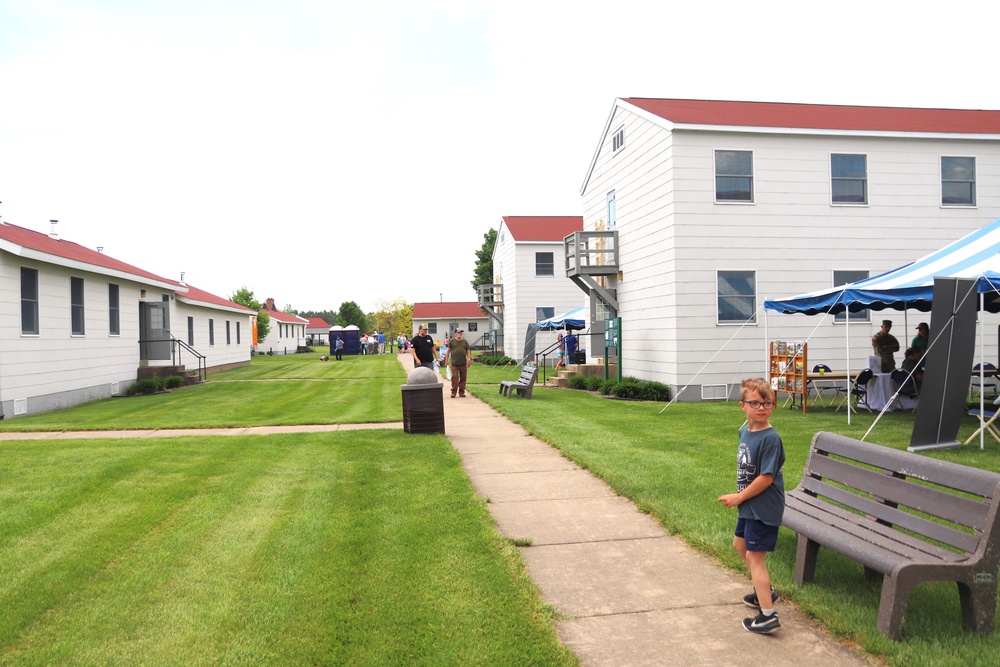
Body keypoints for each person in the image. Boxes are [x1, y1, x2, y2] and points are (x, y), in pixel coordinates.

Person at [717, 378, 786, 634]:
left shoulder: (771, 438)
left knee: (755, 558)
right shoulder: (745, 431)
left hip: (763, 505)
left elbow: (766, 479)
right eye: (755, 403)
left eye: (767, 402)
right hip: (749, 504)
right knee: (740, 545)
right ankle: (764, 592)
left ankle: (768, 616)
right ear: (742, 406)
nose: (761, 407)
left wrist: (739, 497)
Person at [445, 329, 473, 398]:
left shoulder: (465, 342)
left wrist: (469, 359)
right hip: (454, 363)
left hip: (463, 363)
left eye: (461, 332)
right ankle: (454, 391)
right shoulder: (452, 341)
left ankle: (461, 392)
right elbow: (448, 351)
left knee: (463, 377)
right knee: (455, 377)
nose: (460, 334)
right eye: (458, 332)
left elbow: (468, 350)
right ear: (455, 334)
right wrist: (446, 360)